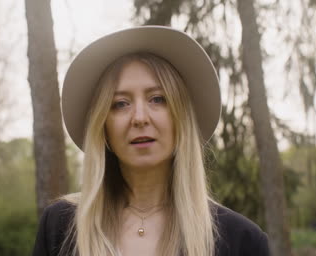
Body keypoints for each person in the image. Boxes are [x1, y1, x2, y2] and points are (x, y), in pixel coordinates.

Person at [32, 26, 269, 256]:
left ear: (181, 119)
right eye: (121, 103)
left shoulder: (242, 240)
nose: (140, 118)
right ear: (103, 127)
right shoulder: (59, 228)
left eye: (157, 99)